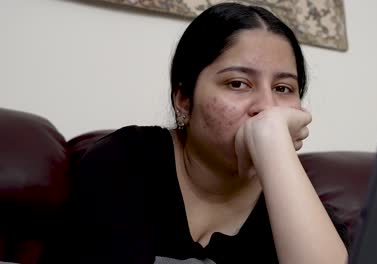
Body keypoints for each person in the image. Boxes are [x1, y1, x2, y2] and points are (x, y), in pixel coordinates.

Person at [39, 2, 348, 264]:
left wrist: (273, 146)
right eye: (237, 83)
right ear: (183, 99)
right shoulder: (125, 159)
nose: (267, 108)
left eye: (283, 88)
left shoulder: (302, 210)